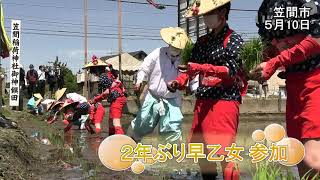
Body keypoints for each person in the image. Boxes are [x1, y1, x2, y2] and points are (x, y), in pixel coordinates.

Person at [167, 1, 246, 179]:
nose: (205, 18)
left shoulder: (233, 39)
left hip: (224, 101)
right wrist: (178, 81)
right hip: (203, 102)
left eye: (209, 13)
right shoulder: (202, 41)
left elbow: (230, 70)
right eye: (204, 14)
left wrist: (202, 68)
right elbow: (190, 69)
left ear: (223, 12)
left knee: (225, 153)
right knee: (201, 152)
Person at [250, 0, 320, 177]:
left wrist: (277, 61)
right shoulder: (266, 7)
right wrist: (268, 62)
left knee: (313, 160)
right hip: (293, 84)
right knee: (301, 159)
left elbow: (317, 38)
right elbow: (271, 45)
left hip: (316, 77)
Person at [127, 27, 188, 145]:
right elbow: (145, 68)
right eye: (173, 46)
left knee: (173, 125)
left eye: (178, 48)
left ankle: (170, 153)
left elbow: (185, 77)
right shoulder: (158, 52)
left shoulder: (183, 59)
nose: (175, 49)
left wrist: (179, 84)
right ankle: (131, 142)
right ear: (169, 43)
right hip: (153, 95)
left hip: (172, 98)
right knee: (143, 121)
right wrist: (139, 81)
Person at [85, 56, 126, 135]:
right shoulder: (109, 74)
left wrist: (95, 99)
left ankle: (121, 141)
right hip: (118, 98)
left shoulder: (103, 76)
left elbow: (106, 92)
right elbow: (120, 87)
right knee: (110, 121)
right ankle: (111, 137)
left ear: (96, 69)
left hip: (117, 100)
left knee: (115, 122)